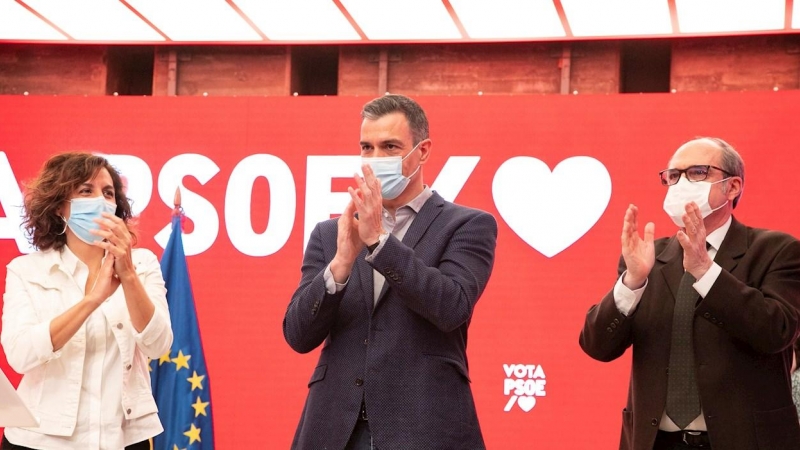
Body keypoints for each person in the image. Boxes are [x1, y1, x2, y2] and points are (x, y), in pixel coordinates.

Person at [283, 94, 497, 449]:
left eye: (390, 146)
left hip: (424, 426)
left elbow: (452, 307)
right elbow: (298, 334)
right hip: (335, 429)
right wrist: (340, 264)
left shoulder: (467, 225)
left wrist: (381, 243)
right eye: (366, 147)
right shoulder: (330, 233)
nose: (375, 159)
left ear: (423, 150)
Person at [580, 137, 800, 450]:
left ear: (732, 187)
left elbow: (776, 332)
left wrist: (706, 272)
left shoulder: (777, 250)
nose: (681, 183)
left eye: (697, 172)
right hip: (655, 441)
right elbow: (597, 345)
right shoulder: (650, 258)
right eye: (673, 175)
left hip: (744, 440)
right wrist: (632, 282)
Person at [1, 153, 173, 450]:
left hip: (123, 437)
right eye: (85, 191)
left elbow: (158, 345)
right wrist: (92, 300)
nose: (101, 201)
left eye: (108, 193)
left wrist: (128, 275)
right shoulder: (27, 270)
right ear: (59, 208)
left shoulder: (143, 264)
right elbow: (20, 354)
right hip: (40, 439)